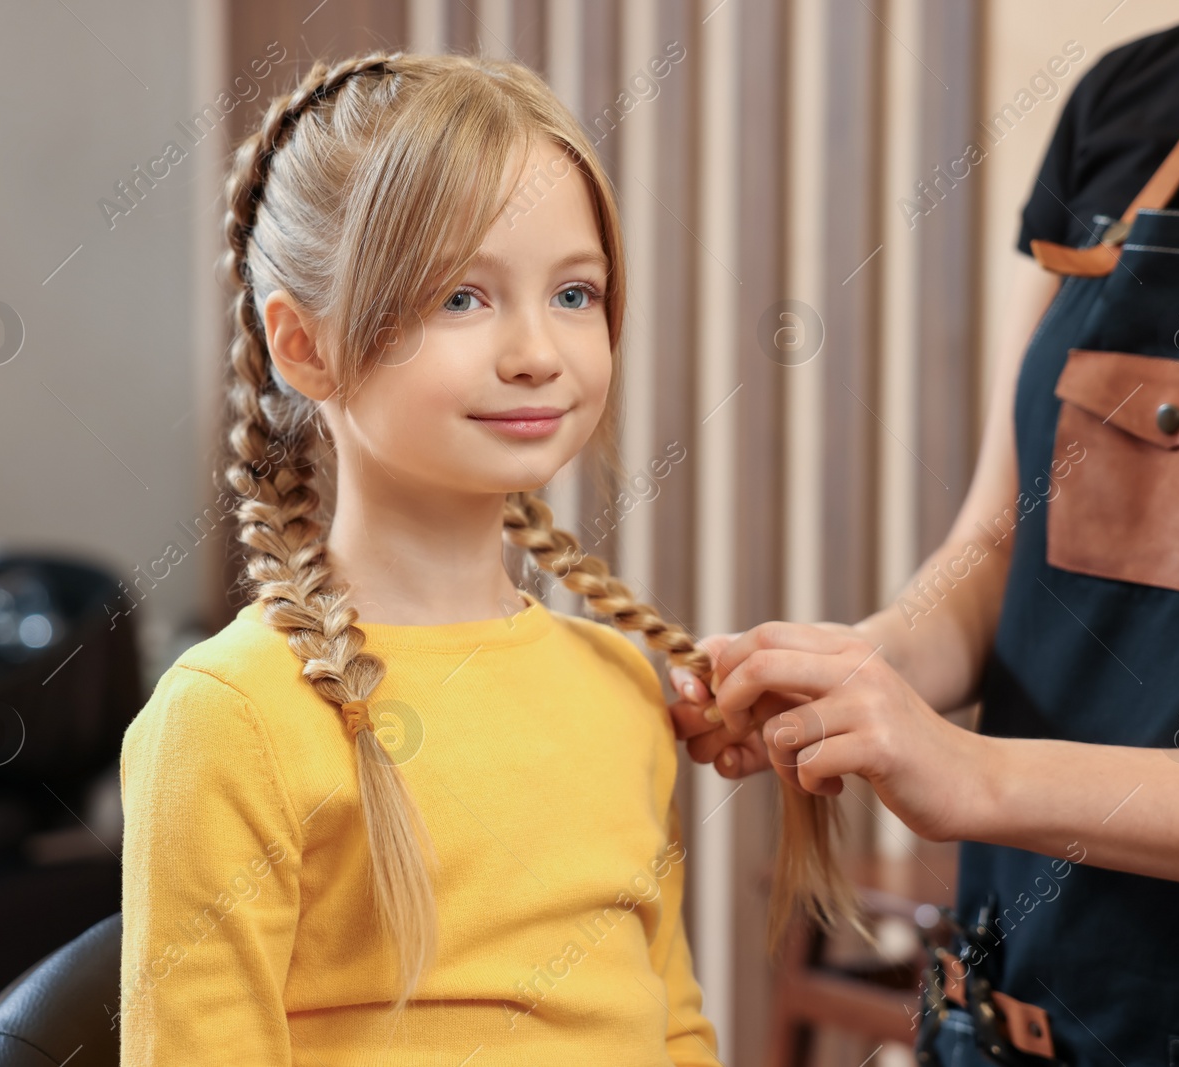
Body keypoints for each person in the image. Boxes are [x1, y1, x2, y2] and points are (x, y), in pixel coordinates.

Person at [671, 1, 1179, 1063]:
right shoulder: (1127, 103)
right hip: (1017, 1012)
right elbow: (1002, 552)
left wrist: (980, 777)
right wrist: (864, 666)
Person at [116, 53, 729, 1065]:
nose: (538, 349)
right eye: (460, 298)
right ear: (303, 347)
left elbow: (672, 1027)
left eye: (575, 293)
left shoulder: (622, 686)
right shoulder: (227, 718)